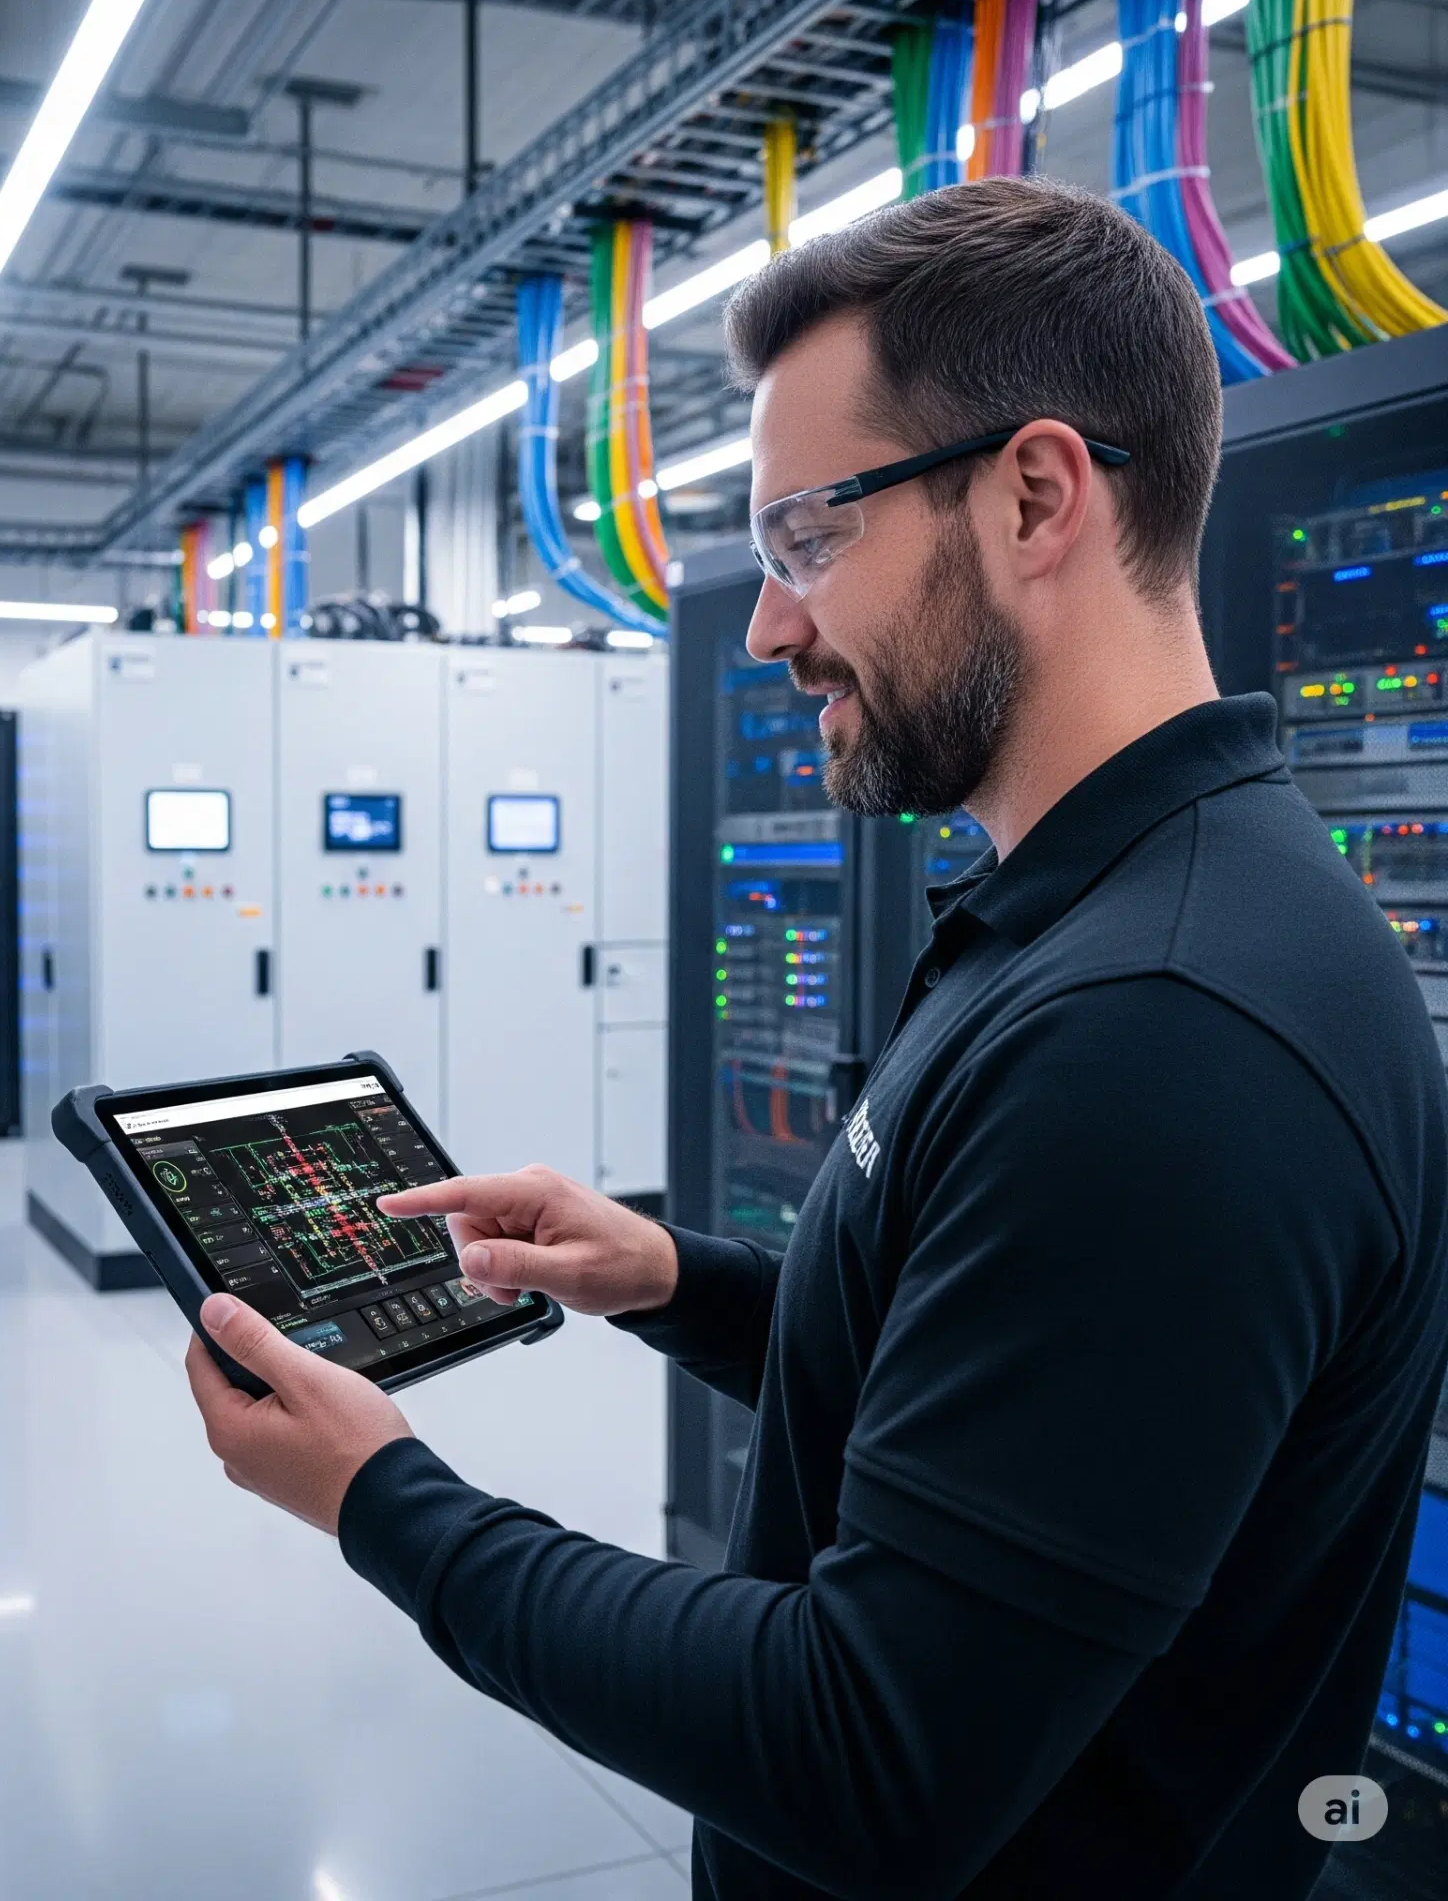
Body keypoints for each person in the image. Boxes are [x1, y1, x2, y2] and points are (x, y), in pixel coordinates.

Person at [183, 178, 1448, 1898]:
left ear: (1033, 495)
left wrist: (385, 1500)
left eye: (810, 538)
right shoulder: (1103, 910)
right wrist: (675, 1280)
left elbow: (869, 1752)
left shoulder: (1162, 1030)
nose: (771, 623)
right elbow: (988, 1385)